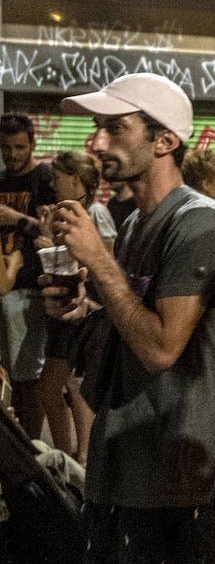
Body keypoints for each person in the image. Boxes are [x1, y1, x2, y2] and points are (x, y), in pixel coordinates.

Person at [43, 72, 215, 564]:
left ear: (164, 141)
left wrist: (99, 262)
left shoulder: (199, 224)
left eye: (114, 128)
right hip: (120, 466)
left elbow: (161, 346)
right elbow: (134, 321)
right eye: (97, 129)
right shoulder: (137, 225)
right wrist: (86, 304)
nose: (97, 142)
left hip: (170, 476)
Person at [37, 152, 113, 465]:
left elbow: (105, 264)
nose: (53, 185)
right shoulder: (68, 212)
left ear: (76, 179)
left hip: (86, 310)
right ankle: (70, 456)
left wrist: (54, 248)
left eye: (58, 178)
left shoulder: (95, 213)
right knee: (57, 386)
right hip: (66, 310)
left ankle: (81, 458)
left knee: (71, 385)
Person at [0, 113, 55, 437]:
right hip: (4, 285)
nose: (12, 154)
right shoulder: (1, 179)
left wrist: (16, 218)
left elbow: (51, 232)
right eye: (6, 147)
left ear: (33, 144)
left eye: (19, 147)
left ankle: (31, 446)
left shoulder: (44, 179)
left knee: (28, 377)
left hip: (29, 289)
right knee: (8, 376)